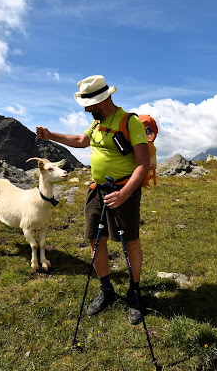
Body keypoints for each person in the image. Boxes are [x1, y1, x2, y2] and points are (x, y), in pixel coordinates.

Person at [36, 75, 150, 325]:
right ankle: (106, 289)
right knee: (95, 240)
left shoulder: (129, 122)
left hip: (123, 190)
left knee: (130, 242)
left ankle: (134, 292)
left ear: (104, 99)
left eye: (90, 105)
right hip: (97, 190)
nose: (86, 109)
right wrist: (50, 135)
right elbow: (80, 141)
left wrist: (125, 193)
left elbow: (144, 164)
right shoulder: (97, 125)